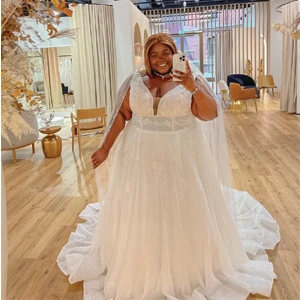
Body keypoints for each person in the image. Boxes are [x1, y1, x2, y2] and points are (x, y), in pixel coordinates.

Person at [57, 33, 280, 300]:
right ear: (147, 56)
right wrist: (105, 148)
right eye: (154, 54)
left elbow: (210, 114)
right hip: (139, 156)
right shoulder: (134, 82)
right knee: (144, 205)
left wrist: (190, 86)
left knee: (182, 204)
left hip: (181, 156)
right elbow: (121, 116)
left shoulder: (191, 80)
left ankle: (188, 261)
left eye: (166, 53)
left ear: (175, 54)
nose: (160, 59)